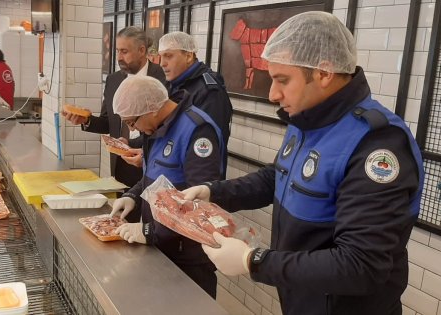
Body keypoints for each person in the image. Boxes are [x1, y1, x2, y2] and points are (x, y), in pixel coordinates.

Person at [182, 12, 424, 315]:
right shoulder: (308, 118)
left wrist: (253, 261)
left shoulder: (377, 144)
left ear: (323, 73)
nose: (273, 94)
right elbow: (277, 177)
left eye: (283, 80)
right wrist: (213, 192)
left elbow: (362, 265)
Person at [109, 75, 225, 298]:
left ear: (151, 108)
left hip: (188, 257)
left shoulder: (197, 132)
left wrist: (151, 232)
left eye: (132, 123)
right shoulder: (153, 129)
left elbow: (200, 205)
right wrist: (133, 195)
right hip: (160, 248)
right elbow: (154, 176)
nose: (133, 130)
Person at [62, 27, 166, 221]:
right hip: (122, 165)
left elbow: (168, 123)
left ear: (142, 50)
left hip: (153, 161)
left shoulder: (163, 78)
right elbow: (107, 123)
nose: (119, 56)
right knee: (126, 221)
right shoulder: (113, 80)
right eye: (117, 51)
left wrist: (143, 150)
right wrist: (86, 121)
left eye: (124, 51)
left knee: (155, 226)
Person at [158, 31, 233, 175]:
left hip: (195, 175)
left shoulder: (209, 91)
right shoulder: (171, 84)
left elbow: (206, 142)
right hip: (167, 166)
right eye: (160, 56)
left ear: (188, 56)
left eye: (168, 56)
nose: (162, 63)